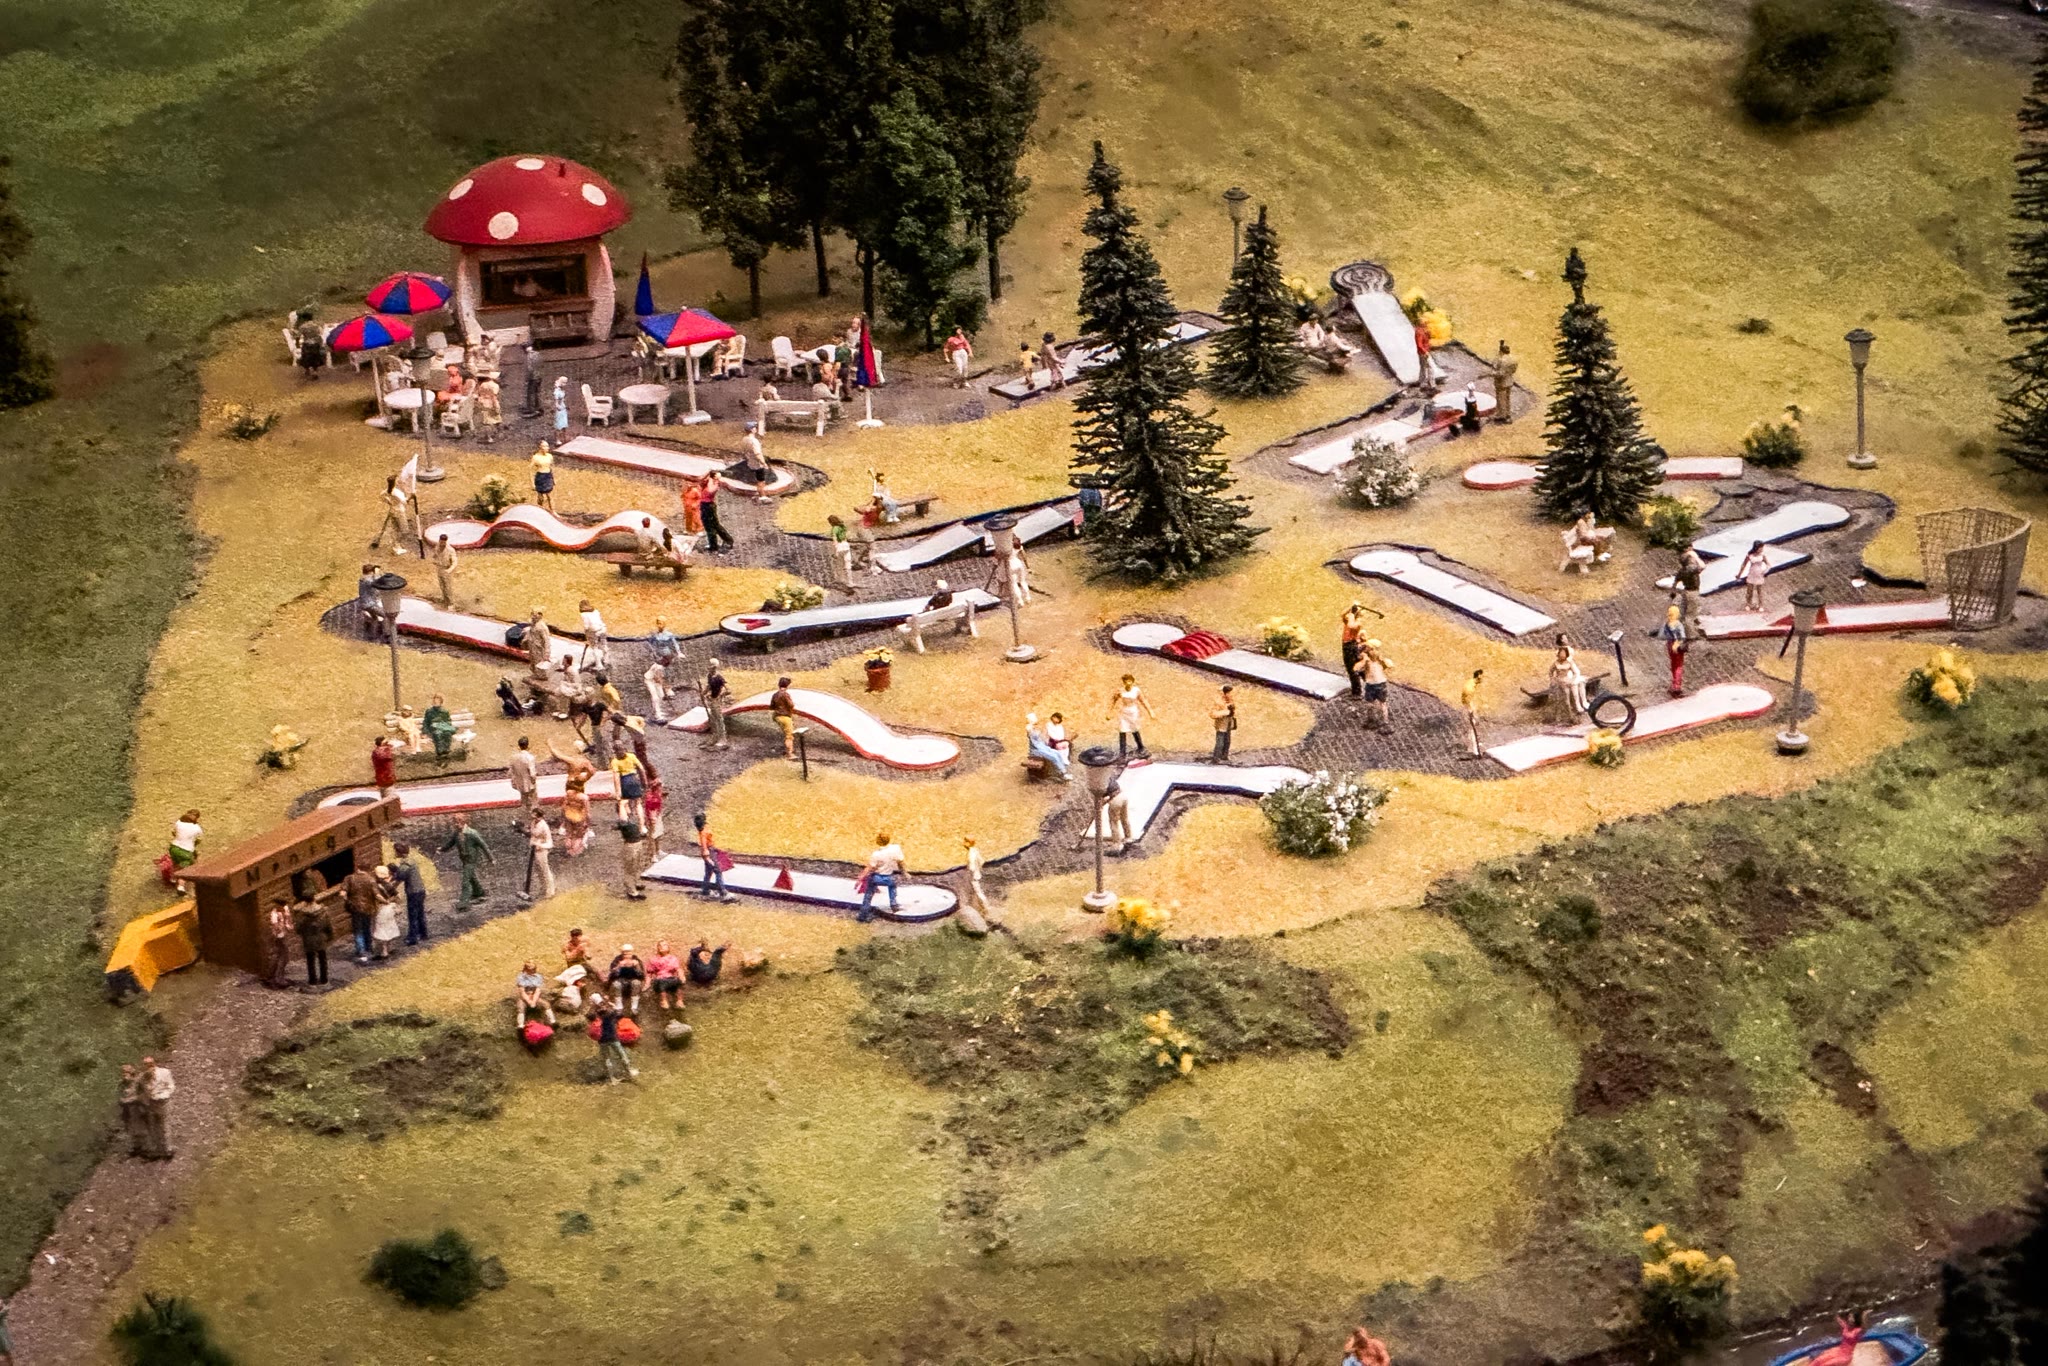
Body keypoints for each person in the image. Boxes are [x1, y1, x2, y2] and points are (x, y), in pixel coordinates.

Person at [439, 812, 492, 910]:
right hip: (464, 859)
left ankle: (464, 902)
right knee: (471, 877)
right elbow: (450, 843)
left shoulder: (472, 833)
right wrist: (442, 849)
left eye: (457, 823)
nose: (455, 825)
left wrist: (491, 859)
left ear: (463, 822)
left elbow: (483, 845)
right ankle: (479, 892)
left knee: (465, 881)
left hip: (471, 860)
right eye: (454, 823)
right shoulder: (456, 834)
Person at [591, 992, 638, 1084]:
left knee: (607, 1058)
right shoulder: (609, 1012)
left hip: (602, 1040)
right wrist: (610, 1003)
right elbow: (619, 1013)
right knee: (622, 1055)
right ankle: (629, 1071)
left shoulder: (595, 1014)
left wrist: (593, 1006)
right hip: (613, 1037)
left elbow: (589, 1016)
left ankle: (612, 1078)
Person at [1106, 674, 1156, 760]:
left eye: (1129, 681)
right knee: (1122, 730)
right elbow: (1113, 701)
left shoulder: (1136, 690)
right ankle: (1122, 752)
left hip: (1133, 712)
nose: (1128, 683)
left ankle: (1141, 747)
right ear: (1123, 682)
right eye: (1126, 681)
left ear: (1132, 681)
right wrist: (1109, 712)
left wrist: (1150, 712)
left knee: (1135, 729)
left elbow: (1143, 701)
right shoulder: (1120, 691)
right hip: (1124, 712)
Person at [858, 831, 904, 923]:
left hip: (877, 877)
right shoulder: (895, 849)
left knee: (868, 894)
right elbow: (901, 862)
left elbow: (870, 867)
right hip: (889, 877)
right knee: (892, 886)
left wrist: (861, 877)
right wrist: (904, 872)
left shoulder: (876, 854)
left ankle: (863, 915)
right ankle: (893, 904)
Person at [390, 842, 430, 944]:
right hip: (420, 890)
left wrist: (390, 888)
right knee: (420, 913)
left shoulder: (405, 865)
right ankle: (423, 934)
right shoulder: (411, 861)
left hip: (413, 892)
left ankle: (413, 938)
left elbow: (400, 878)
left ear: (399, 852)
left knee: (413, 915)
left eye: (396, 851)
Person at [137, 1056, 174, 1160]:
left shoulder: (164, 1072)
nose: (149, 1067)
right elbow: (141, 1092)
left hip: (163, 1102)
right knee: (153, 1127)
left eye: (150, 1064)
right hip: (150, 1103)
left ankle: (168, 1149)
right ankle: (156, 1150)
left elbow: (170, 1086)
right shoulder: (142, 1077)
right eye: (146, 1065)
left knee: (164, 1125)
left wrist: (163, 1095)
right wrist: (144, 1101)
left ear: (154, 1064)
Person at [695, 812, 737, 902]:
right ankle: (723, 892)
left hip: (711, 851)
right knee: (718, 871)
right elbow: (704, 846)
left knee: (708, 872)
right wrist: (707, 857)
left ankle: (705, 890)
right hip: (709, 853)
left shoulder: (702, 830)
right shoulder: (703, 833)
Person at [342, 862, 379, 962]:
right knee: (367, 928)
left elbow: (343, 893)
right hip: (368, 907)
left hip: (355, 908)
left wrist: (348, 901)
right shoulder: (371, 880)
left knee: (358, 930)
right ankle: (369, 948)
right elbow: (376, 894)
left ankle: (361, 950)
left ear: (358, 868)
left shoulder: (349, 878)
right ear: (368, 869)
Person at [371, 474, 416, 554]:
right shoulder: (397, 493)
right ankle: (397, 547)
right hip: (399, 511)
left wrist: (389, 502)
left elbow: (381, 496)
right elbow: (405, 502)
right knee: (403, 529)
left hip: (392, 510)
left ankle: (396, 546)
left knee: (395, 528)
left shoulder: (386, 491)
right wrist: (411, 497)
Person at [1549, 638, 1590, 721]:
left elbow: (1576, 672)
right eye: (1560, 653)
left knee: (1572, 696)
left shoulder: (1569, 662)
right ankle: (1562, 715)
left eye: (1564, 653)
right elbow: (1550, 671)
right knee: (1561, 700)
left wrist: (1572, 680)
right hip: (1559, 682)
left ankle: (1575, 711)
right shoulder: (1556, 663)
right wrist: (1553, 679)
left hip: (1568, 680)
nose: (1562, 655)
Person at [294, 898, 332, 987]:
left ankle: (312, 980)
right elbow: (328, 925)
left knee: (310, 960)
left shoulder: (301, 915)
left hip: (308, 939)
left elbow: (298, 929)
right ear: (314, 898)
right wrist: (330, 935)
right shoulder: (323, 911)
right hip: (320, 938)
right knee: (322, 959)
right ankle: (324, 979)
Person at [1025, 712, 1072, 779]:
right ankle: (1063, 774)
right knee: (1054, 757)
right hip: (1036, 749)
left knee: (1057, 753)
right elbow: (1035, 740)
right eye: (1035, 718)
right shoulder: (1029, 727)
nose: (1036, 719)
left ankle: (1062, 770)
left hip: (1041, 746)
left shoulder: (1034, 727)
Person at [369, 865, 402, 960]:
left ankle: (384, 951)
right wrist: (394, 903)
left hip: (382, 909)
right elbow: (398, 896)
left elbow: (377, 896)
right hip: (390, 908)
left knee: (381, 930)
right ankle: (389, 947)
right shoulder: (388, 885)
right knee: (389, 927)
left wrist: (385, 901)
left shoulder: (375, 886)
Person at [1361, 640, 1393, 732]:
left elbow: (1389, 666)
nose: (1368, 651)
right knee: (1371, 704)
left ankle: (1383, 722)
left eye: (1370, 649)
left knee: (1381, 704)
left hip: (1378, 684)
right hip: (1372, 684)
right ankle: (1373, 720)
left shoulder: (1380, 661)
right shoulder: (1367, 661)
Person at [1659, 603, 1689, 696]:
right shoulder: (1678, 624)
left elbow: (1662, 635)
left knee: (1673, 665)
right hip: (1677, 645)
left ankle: (1673, 684)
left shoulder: (1667, 624)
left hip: (1669, 645)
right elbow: (1683, 636)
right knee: (1679, 666)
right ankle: (1677, 687)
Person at [698, 473, 735, 551]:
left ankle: (714, 545)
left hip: (708, 506)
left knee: (710, 526)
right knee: (715, 525)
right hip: (706, 505)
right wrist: (707, 477)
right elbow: (700, 482)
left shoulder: (715, 484)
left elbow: (710, 491)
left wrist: (710, 480)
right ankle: (727, 540)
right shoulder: (709, 482)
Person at [608, 943, 647, 1014]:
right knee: (616, 984)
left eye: (629, 953)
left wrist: (637, 966)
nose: (627, 956)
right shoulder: (617, 960)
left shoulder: (636, 960)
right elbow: (612, 974)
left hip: (633, 979)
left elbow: (642, 975)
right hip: (620, 980)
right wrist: (618, 967)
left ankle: (634, 1007)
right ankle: (619, 1007)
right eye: (625, 954)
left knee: (636, 983)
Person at [516, 960, 556, 1030]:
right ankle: (521, 1025)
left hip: (534, 996)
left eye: (535, 969)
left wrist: (534, 1001)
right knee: (521, 1007)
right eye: (532, 969)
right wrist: (529, 1001)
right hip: (525, 997)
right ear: (526, 969)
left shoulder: (538, 977)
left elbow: (538, 990)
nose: (534, 970)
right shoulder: (521, 977)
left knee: (546, 1004)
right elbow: (522, 992)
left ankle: (553, 1022)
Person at [700, 658, 731, 750]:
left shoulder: (719, 677)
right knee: (713, 719)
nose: (708, 667)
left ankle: (723, 739)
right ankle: (715, 736)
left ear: (714, 667)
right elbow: (709, 686)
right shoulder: (709, 675)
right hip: (711, 700)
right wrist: (703, 693)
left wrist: (720, 695)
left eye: (710, 666)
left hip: (717, 701)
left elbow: (729, 690)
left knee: (719, 719)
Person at [962, 836, 994, 923]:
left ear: (969, 843)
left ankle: (987, 908)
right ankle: (978, 907)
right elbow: (982, 861)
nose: (963, 843)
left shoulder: (971, 854)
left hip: (973, 876)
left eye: (965, 842)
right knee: (976, 892)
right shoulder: (975, 850)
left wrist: (969, 872)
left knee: (978, 893)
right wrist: (978, 869)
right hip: (977, 874)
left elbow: (971, 867)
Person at [263, 898, 294, 988]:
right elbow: (276, 927)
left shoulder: (285, 909)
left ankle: (271, 976)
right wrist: (281, 930)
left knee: (278, 957)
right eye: (281, 906)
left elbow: (288, 920)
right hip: (279, 937)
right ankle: (278, 978)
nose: (283, 908)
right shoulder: (274, 914)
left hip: (284, 934)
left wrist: (289, 926)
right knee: (283, 958)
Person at [119, 1063, 148, 1157]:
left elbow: (143, 1094)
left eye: (126, 1072)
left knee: (140, 1127)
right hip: (126, 1109)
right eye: (123, 1073)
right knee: (130, 1127)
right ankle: (135, 1146)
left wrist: (132, 1099)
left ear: (131, 1073)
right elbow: (119, 1095)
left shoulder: (137, 1083)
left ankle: (145, 1146)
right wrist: (121, 1100)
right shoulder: (122, 1084)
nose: (124, 1075)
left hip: (137, 1107)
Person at [613, 749, 646, 828]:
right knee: (638, 803)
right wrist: (644, 780)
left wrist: (618, 791)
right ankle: (642, 826)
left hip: (625, 780)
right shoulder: (631, 756)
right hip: (634, 778)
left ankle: (625, 824)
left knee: (622, 803)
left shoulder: (615, 761)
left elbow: (616, 777)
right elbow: (641, 768)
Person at [648, 941, 685, 1011]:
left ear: (668, 948)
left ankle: (679, 1001)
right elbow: (649, 972)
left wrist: (682, 976)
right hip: (660, 978)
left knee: (678, 981)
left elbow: (678, 969)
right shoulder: (654, 959)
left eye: (664, 945)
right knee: (661, 982)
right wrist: (647, 983)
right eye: (660, 946)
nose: (661, 947)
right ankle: (664, 1001)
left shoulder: (673, 958)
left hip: (670, 978)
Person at [741, 421, 773, 502]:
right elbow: (758, 454)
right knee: (761, 481)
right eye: (755, 427)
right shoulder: (754, 441)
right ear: (752, 430)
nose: (756, 428)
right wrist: (764, 463)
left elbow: (744, 451)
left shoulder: (744, 439)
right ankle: (762, 496)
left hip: (750, 462)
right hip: (757, 464)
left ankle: (758, 493)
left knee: (757, 479)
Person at [1340, 604, 1368, 699]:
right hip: (1346, 645)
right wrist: (1350, 607)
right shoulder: (1349, 619)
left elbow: (1351, 626)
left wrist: (1352, 614)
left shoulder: (1357, 622)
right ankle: (1371, 682)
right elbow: (1342, 615)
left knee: (1352, 669)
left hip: (1351, 646)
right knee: (1355, 667)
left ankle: (1357, 693)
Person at [1675, 543, 1705, 627]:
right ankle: (1690, 632)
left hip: (1687, 590)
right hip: (1693, 592)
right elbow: (1703, 566)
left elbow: (1676, 581)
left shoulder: (1682, 571)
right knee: (1691, 613)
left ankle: (1689, 624)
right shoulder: (1691, 569)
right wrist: (1695, 556)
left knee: (1689, 609)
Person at [422, 692, 457, 761]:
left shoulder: (444, 711)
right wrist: (425, 732)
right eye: (434, 700)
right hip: (433, 729)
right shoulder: (429, 711)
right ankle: (440, 753)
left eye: (438, 700)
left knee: (447, 734)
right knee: (438, 733)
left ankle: (446, 752)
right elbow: (426, 722)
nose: (435, 702)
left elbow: (448, 721)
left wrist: (444, 726)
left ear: (441, 702)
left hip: (443, 728)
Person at [770, 677, 799, 759]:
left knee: (786, 733)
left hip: (776, 716)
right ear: (787, 685)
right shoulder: (785, 695)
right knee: (789, 736)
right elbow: (791, 705)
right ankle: (789, 754)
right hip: (785, 717)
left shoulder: (775, 695)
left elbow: (771, 706)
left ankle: (788, 750)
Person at [168, 808, 203, 875]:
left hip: (173, 847)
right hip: (185, 850)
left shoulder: (178, 822)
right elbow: (199, 840)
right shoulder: (197, 828)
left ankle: (172, 873)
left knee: (177, 861)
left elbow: (173, 832)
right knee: (190, 861)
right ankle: (174, 873)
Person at [1102, 779, 1133, 854]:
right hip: (1123, 797)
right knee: (1124, 818)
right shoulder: (1110, 779)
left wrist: (1100, 805)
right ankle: (1128, 838)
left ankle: (1117, 844)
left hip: (1116, 800)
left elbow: (1104, 798)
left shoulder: (1100, 783)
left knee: (1113, 823)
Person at [1739, 539, 1770, 611]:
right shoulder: (1750, 555)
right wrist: (1739, 574)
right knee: (1749, 590)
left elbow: (1768, 564)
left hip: (1759, 574)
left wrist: (1765, 571)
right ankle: (1748, 604)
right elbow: (1743, 565)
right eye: (1761, 547)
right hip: (1752, 573)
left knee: (1760, 591)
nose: (1762, 549)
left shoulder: (1762, 556)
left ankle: (1761, 605)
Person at [1491, 340, 1519, 422]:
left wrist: (1492, 373)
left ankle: (1502, 416)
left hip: (1501, 382)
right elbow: (1513, 370)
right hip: (1509, 380)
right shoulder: (1513, 359)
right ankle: (1507, 414)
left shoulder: (1502, 360)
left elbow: (1500, 373)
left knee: (1501, 399)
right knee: (1507, 398)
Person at [1460, 669, 1485, 757]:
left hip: (1469, 706)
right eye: (1482, 677)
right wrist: (1471, 712)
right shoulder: (1470, 689)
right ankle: (1475, 750)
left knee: (1473, 727)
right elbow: (1467, 701)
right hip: (1469, 708)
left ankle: (1475, 747)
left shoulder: (1471, 683)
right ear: (1478, 676)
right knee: (1472, 728)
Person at [578, 598, 608, 670]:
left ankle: (599, 665)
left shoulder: (584, 614)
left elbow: (586, 626)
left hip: (594, 631)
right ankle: (606, 659)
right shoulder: (596, 611)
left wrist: (586, 634)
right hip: (603, 628)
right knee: (604, 644)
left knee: (595, 648)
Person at [1210, 685, 1238, 762]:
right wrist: (1226, 712)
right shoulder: (1218, 702)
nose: (1231, 695)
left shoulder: (1231, 701)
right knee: (1220, 743)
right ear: (1225, 693)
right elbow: (1212, 714)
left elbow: (1233, 713)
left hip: (1228, 725)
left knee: (1227, 742)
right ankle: (1216, 759)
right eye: (1229, 693)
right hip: (1221, 726)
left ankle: (1224, 757)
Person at [474, 375, 503, 443]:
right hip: (492, 403)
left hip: (485, 403)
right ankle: (496, 435)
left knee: (487, 421)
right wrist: (496, 406)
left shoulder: (483, 385)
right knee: (496, 419)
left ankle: (488, 437)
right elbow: (494, 396)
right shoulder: (495, 386)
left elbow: (479, 393)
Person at [530, 440, 556, 513]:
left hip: (548, 476)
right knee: (541, 497)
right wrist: (532, 483)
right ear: (540, 447)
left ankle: (553, 511)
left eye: (547, 446)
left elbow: (551, 467)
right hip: (540, 477)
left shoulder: (549, 456)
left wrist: (554, 479)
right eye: (545, 446)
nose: (547, 448)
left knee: (550, 496)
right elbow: (530, 470)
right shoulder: (536, 457)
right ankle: (540, 511)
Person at [644, 776, 667, 857]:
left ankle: (658, 850)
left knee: (658, 834)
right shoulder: (651, 797)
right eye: (660, 786)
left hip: (657, 815)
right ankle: (653, 854)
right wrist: (652, 818)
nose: (661, 787)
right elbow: (650, 809)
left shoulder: (658, 794)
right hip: (653, 816)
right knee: (653, 836)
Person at [358, 563, 385, 631]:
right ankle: (386, 633)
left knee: (374, 618)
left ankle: (372, 633)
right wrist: (377, 573)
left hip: (365, 604)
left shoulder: (363, 579)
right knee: (386, 616)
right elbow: (377, 583)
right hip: (370, 605)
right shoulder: (367, 580)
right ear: (371, 572)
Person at [370, 734, 398, 799]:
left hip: (382, 777)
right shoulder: (383, 751)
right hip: (386, 776)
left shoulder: (376, 751)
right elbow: (387, 756)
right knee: (389, 795)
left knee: (385, 793)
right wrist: (390, 747)